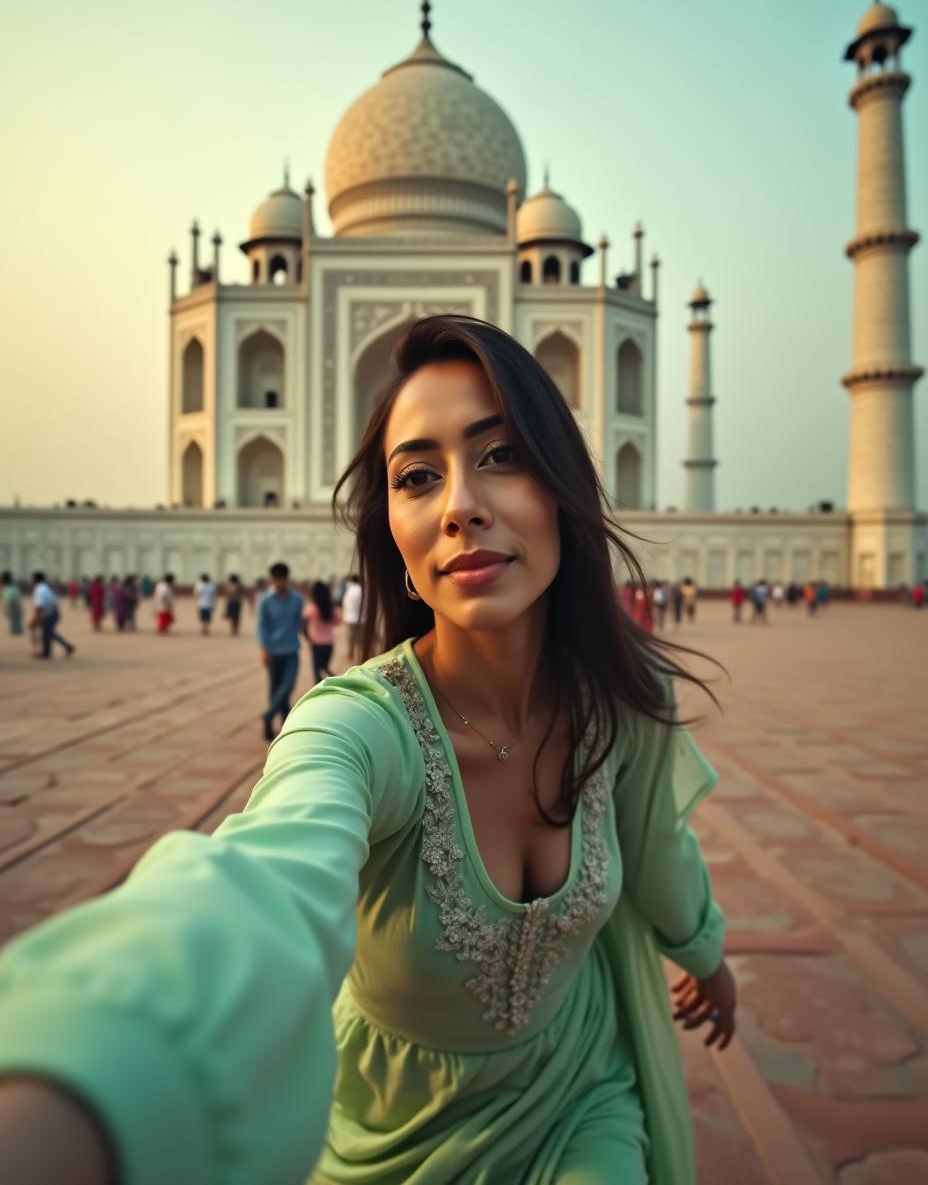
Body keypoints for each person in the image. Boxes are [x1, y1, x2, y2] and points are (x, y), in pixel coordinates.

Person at [0, 316, 734, 1185]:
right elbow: (261, 883)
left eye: (500, 455)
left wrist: (706, 955)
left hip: (579, 1086)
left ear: (563, 486)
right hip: (387, 1131)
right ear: (393, 529)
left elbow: (656, 851)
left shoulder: (619, 701)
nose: (460, 504)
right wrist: (89, 1072)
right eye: (418, 476)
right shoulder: (361, 729)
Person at [257, 562, 304, 741]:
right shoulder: (266, 601)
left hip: (291, 649)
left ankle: (268, 715)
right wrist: (264, 649)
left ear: (286, 579)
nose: (279, 583)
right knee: (275, 689)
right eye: (276, 580)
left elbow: (300, 622)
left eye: (282, 580)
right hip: (273, 651)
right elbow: (262, 626)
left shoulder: (296, 599)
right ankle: (275, 725)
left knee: (288, 685)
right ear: (272, 580)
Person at [28, 570, 75, 660]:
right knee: (49, 633)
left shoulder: (40, 590)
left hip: (49, 614)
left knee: (46, 634)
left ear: (35, 580)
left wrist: (34, 620)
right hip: (53, 613)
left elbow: (39, 607)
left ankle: (46, 653)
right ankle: (67, 647)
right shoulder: (45, 588)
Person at [303, 580, 342, 684]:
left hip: (316, 643)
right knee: (325, 667)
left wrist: (308, 638)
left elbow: (303, 626)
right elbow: (338, 621)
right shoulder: (330, 608)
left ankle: (323, 687)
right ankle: (335, 681)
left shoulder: (311, 608)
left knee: (317, 670)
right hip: (329, 643)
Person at [341, 573, 364, 662]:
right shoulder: (360, 590)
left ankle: (351, 653)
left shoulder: (349, 590)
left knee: (350, 637)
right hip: (359, 618)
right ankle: (359, 656)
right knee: (359, 639)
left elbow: (345, 603)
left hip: (349, 617)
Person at [1, 571, 24, 636]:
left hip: (9, 598)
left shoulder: (5, 582)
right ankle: (16, 629)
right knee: (16, 615)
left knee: (13, 616)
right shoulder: (12, 583)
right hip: (13, 598)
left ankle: (14, 629)